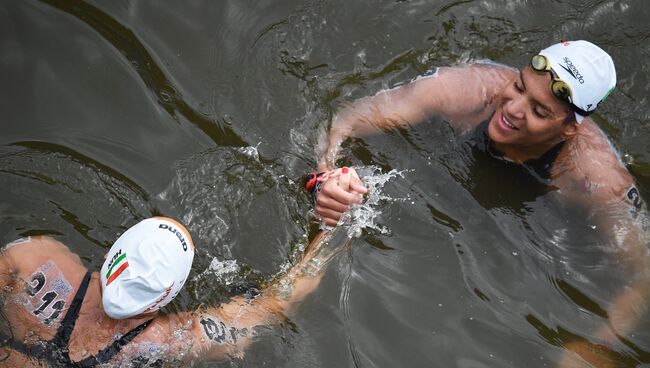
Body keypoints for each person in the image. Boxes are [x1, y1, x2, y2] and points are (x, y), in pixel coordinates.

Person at [310, 40, 649, 367]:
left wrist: (598, 347)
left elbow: (642, 274)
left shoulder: (597, 179)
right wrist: (326, 178)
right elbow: (345, 122)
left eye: (539, 110)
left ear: (568, 131)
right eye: (519, 86)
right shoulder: (465, 89)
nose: (512, 109)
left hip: (547, 217)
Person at [0, 204, 355, 367]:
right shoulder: (168, 340)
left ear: (113, 252)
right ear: (165, 296)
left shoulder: (32, 257)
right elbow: (278, 303)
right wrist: (339, 221)